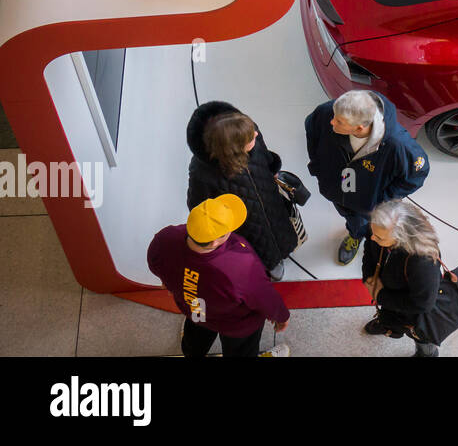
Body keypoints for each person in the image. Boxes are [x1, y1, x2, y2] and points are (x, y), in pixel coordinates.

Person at [147, 195, 291, 357]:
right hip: (235, 323)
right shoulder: (240, 265)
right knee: (240, 351)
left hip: (196, 307)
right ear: (215, 241)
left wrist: (170, 282)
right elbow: (263, 296)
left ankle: (192, 351)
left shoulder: (165, 238)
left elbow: (154, 263)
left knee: (196, 332)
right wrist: (281, 316)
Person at [304, 89, 431, 265]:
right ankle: (354, 231)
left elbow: (416, 175)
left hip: (368, 203)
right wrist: (317, 167)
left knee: (363, 222)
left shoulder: (398, 146)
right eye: (334, 115)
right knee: (348, 216)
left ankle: (359, 235)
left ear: (359, 128)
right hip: (336, 190)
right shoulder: (328, 112)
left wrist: (382, 200)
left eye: (339, 122)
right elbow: (312, 129)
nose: (331, 121)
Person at [186, 102, 300, 282]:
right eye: (250, 138)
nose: (255, 134)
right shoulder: (203, 173)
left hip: (270, 200)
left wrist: (272, 169)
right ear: (231, 148)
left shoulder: (248, 132)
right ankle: (270, 263)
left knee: (281, 228)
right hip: (245, 223)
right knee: (260, 246)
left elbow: (265, 155)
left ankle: (283, 250)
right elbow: (199, 206)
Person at [361, 199, 446, 357]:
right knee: (389, 315)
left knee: (421, 337)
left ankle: (426, 353)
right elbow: (369, 246)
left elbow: (422, 304)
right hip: (392, 295)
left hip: (414, 313)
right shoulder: (379, 228)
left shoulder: (423, 260)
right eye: (373, 232)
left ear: (402, 236)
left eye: (380, 238)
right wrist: (368, 275)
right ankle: (387, 323)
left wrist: (380, 295)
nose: (373, 238)